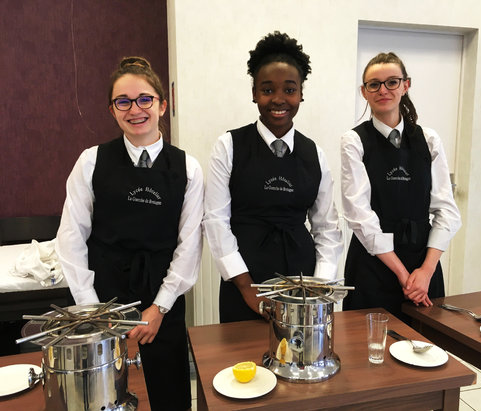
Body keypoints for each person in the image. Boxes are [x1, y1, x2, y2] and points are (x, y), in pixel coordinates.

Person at [56, 56, 203, 410]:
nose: (134, 109)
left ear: (162, 105)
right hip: (105, 292)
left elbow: (189, 245)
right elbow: (71, 237)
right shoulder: (91, 161)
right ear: (112, 110)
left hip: (163, 292)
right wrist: (93, 312)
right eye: (123, 101)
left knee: (170, 393)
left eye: (145, 99)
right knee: (107, 396)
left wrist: (160, 307)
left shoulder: (188, 168)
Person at [203, 31, 343, 323]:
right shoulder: (228, 146)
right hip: (244, 277)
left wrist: (318, 286)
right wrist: (246, 287)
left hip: (301, 281)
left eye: (289, 89)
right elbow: (216, 221)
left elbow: (327, 227)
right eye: (267, 90)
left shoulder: (314, 153)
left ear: (301, 93)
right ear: (254, 93)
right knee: (243, 365)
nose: (279, 99)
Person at [341, 52, 461, 321]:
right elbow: (360, 216)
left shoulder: (429, 140)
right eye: (374, 84)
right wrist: (404, 275)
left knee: (426, 350)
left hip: (423, 265)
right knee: (368, 352)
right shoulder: (354, 141)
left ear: (406, 85)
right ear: (364, 91)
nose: (383, 90)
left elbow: (447, 211)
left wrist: (426, 271)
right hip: (372, 265)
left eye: (392, 82)